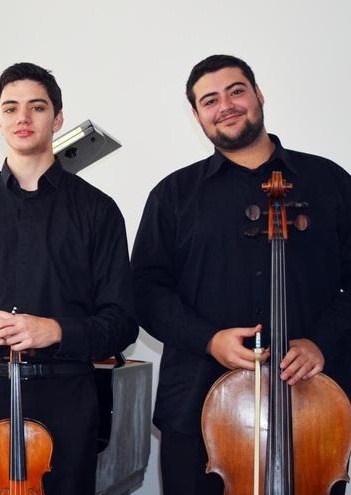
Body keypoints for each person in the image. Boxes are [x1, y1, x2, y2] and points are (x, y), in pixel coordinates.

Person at [131, 54, 351, 495]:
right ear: (197, 116)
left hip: (312, 411)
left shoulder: (329, 182)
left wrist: (320, 342)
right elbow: (145, 290)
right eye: (209, 100)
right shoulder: (173, 195)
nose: (226, 105)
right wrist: (207, 339)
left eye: (236, 91)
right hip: (197, 407)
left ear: (258, 94)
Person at [0, 62, 138, 495]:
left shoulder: (98, 211)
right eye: (10, 108)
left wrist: (55, 330)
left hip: (67, 398)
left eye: (37, 107)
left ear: (57, 119)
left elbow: (122, 321)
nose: (23, 118)